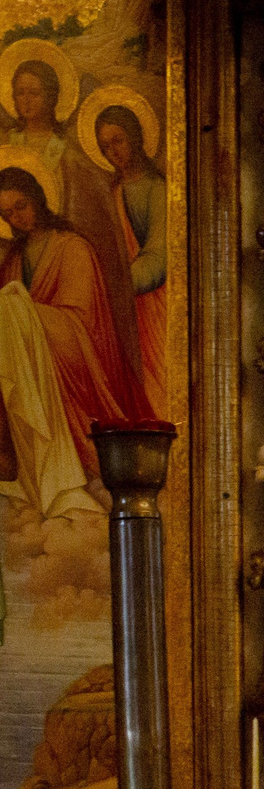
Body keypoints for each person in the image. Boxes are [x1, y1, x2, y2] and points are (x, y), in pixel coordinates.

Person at [0, 166, 140, 496]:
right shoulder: (14, 260)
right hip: (28, 354)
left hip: (74, 351)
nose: (17, 217)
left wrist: (21, 311)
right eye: (7, 213)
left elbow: (81, 319)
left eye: (21, 206)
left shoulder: (72, 247)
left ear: (37, 198)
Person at [89, 105, 165, 418]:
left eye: (118, 140)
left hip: (151, 303)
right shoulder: (111, 191)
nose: (113, 151)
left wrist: (117, 288)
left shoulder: (157, 190)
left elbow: (159, 255)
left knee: (156, 383)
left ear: (135, 137)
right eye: (105, 146)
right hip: (122, 307)